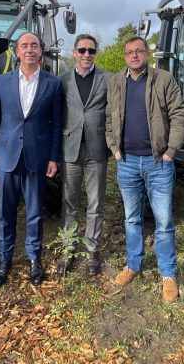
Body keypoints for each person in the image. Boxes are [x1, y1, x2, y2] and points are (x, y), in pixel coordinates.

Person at [105, 36, 184, 302]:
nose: (134, 55)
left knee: (163, 221)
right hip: (126, 161)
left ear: (147, 54)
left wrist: (171, 151)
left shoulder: (163, 79)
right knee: (132, 218)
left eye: (139, 51)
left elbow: (179, 115)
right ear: (124, 56)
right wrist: (113, 147)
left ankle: (168, 273)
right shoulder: (116, 82)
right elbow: (109, 117)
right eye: (130, 52)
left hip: (157, 162)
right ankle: (134, 265)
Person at [0, 32, 63, 287]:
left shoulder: (52, 84)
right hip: (7, 156)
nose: (29, 50)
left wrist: (54, 156)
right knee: (5, 212)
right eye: (24, 46)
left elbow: (56, 125)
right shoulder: (2, 82)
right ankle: (4, 259)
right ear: (16, 51)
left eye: (34, 45)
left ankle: (34, 258)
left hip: (37, 157)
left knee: (34, 212)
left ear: (40, 51)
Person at [57, 34, 111, 277]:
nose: (86, 55)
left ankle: (92, 250)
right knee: (69, 202)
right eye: (82, 50)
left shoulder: (108, 79)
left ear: (95, 53)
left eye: (91, 51)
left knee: (95, 203)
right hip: (70, 148)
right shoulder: (62, 81)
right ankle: (68, 247)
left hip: (97, 149)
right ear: (74, 53)